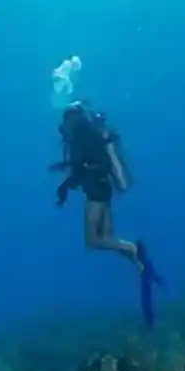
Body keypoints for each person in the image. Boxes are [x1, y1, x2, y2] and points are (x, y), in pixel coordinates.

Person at [51, 101, 168, 325]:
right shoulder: (90, 133)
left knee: (93, 240)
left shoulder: (78, 136)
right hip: (104, 188)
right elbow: (87, 163)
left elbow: (79, 170)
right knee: (107, 238)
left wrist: (64, 188)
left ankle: (133, 249)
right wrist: (65, 170)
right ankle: (139, 263)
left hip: (95, 192)